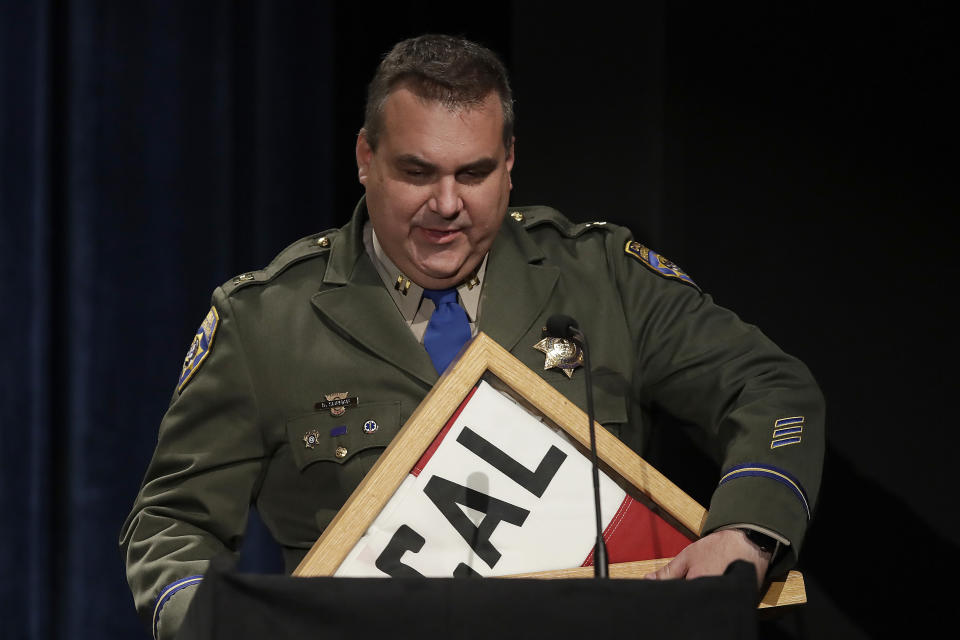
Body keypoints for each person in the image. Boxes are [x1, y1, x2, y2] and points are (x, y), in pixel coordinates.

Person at [121, 34, 824, 640]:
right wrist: (211, 624)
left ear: (510, 161)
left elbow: (771, 390)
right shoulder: (265, 320)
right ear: (366, 158)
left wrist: (747, 530)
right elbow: (170, 524)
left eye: (475, 173)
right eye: (417, 172)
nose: (448, 205)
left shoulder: (602, 277)